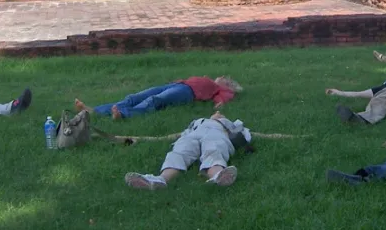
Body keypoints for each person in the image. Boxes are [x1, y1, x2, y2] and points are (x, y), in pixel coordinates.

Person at [124, 112, 297, 191]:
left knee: (214, 149)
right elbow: (171, 136)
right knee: (179, 152)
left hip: (217, 135)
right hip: (192, 136)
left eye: (220, 113)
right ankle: (160, 180)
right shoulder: (196, 123)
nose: (217, 112)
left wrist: (294, 137)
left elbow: (260, 135)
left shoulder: (232, 125)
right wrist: (140, 139)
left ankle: (217, 175)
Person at [75, 76, 242, 120]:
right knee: (135, 96)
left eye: (224, 78)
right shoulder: (208, 80)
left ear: (227, 84)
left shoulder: (221, 89)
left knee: (154, 101)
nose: (221, 77)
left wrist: (219, 105)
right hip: (177, 85)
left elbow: (223, 98)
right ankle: (94, 110)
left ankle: (123, 114)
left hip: (187, 93)